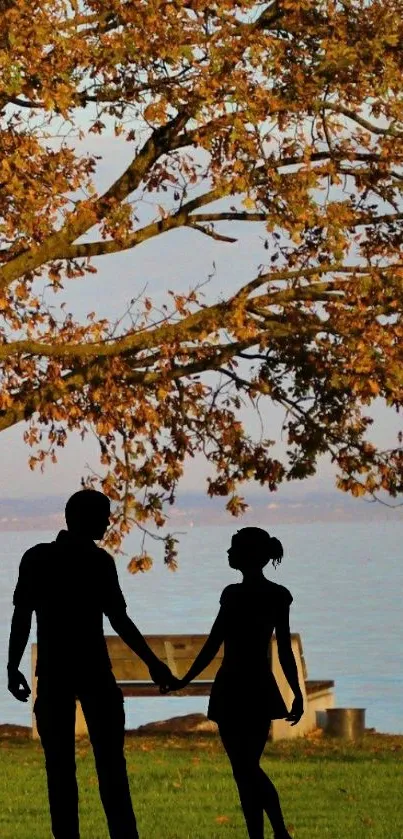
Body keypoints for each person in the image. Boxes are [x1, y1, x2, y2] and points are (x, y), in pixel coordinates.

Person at [7, 488, 174, 839]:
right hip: (96, 673)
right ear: (85, 518)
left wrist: (12, 666)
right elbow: (119, 620)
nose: (109, 521)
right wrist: (153, 663)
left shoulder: (36, 558)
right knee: (112, 767)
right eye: (104, 515)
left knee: (60, 771)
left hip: (53, 674)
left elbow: (22, 617)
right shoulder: (98, 563)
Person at [162, 526, 304, 839]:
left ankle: (278, 831)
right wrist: (296, 693)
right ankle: (269, 834)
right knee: (246, 768)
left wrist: (184, 679)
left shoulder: (234, 595)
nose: (228, 553)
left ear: (247, 555)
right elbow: (282, 650)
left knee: (244, 769)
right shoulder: (277, 595)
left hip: (231, 689)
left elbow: (214, 644)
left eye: (233, 548)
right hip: (259, 689)